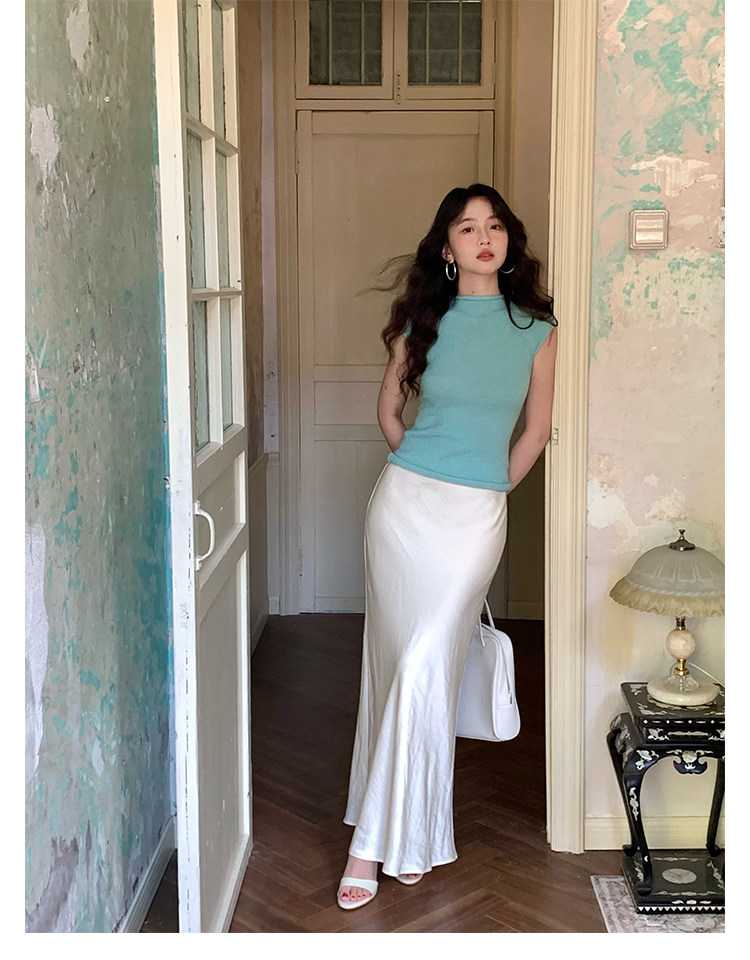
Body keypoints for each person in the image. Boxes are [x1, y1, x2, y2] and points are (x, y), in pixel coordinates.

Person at [336, 183, 558, 910]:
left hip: (475, 518)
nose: (484, 237)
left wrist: (488, 488)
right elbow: (389, 409)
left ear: (509, 240)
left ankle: (371, 844)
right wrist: (419, 466)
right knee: (399, 666)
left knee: (427, 661)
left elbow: (536, 431)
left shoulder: (536, 328)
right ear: (448, 248)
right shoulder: (423, 321)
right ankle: (407, 830)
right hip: (403, 510)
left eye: (494, 226)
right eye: (468, 228)